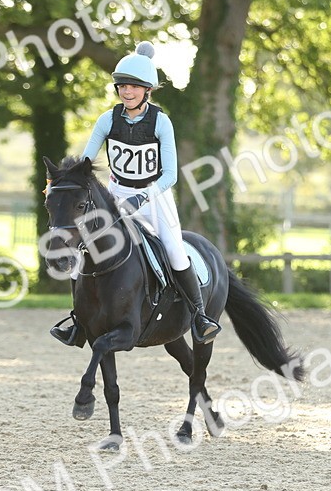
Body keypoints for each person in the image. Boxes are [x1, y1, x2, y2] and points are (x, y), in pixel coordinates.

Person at [50, 42, 222, 347]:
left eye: (134, 87)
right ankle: (78, 322)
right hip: (115, 195)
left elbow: (170, 175)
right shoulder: (107, 120)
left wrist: (142, 197)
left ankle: (199, 316)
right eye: (123, 86)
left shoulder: (161, 122)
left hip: (154, 196)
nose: (127, 92)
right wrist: (63, 181)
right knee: (83, 249)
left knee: (175, 251)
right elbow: (85, 164)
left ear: (147, 91)